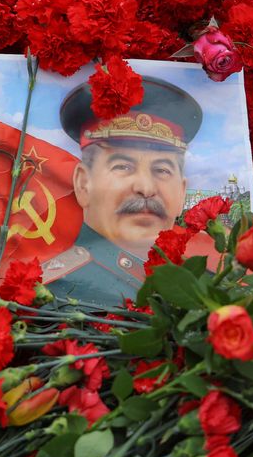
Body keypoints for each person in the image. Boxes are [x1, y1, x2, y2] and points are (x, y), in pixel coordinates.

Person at [41, 76, 202, 307]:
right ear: (83, 184)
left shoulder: (207, 286)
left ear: (182, 193)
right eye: (123, 167)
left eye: (162, 170)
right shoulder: (51, 294)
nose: (146, 188)